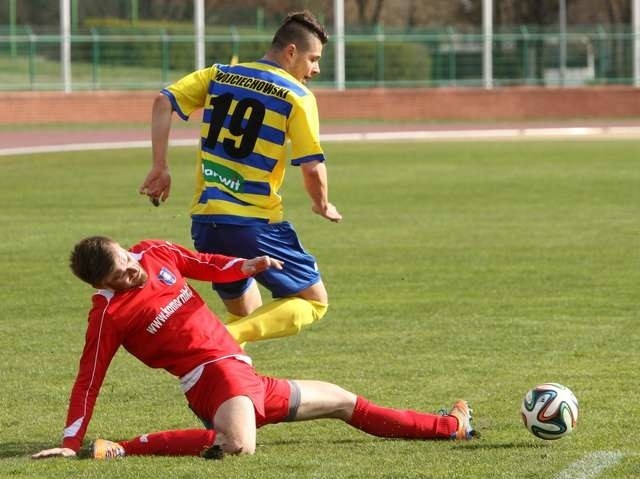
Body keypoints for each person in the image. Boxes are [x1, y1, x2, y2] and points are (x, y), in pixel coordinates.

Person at [31, 236, 476, 460]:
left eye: (126, 258)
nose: (133, 269)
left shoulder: (152, 253)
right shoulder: (108, 316)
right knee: (239, 446)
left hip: (244, 376)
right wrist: (72, 441)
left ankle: (449, 428)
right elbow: (88, 380)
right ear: (103, 285)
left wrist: (244, 266)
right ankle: (121, 448)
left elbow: (201, 263)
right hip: (213, 378)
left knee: (343, 401)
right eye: (122, 274)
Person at [138, 10, 341, 346]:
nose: (316, 69)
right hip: (253, 225)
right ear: (291, 51)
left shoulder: (220, 75)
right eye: (313, 59)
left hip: (207, 225)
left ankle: (230, 389)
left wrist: (160, 166)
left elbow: (164, 101)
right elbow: (311, 167)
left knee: (247, 314)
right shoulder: (296, 96)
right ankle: (222, 336)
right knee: (314, 301)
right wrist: (321, 204)